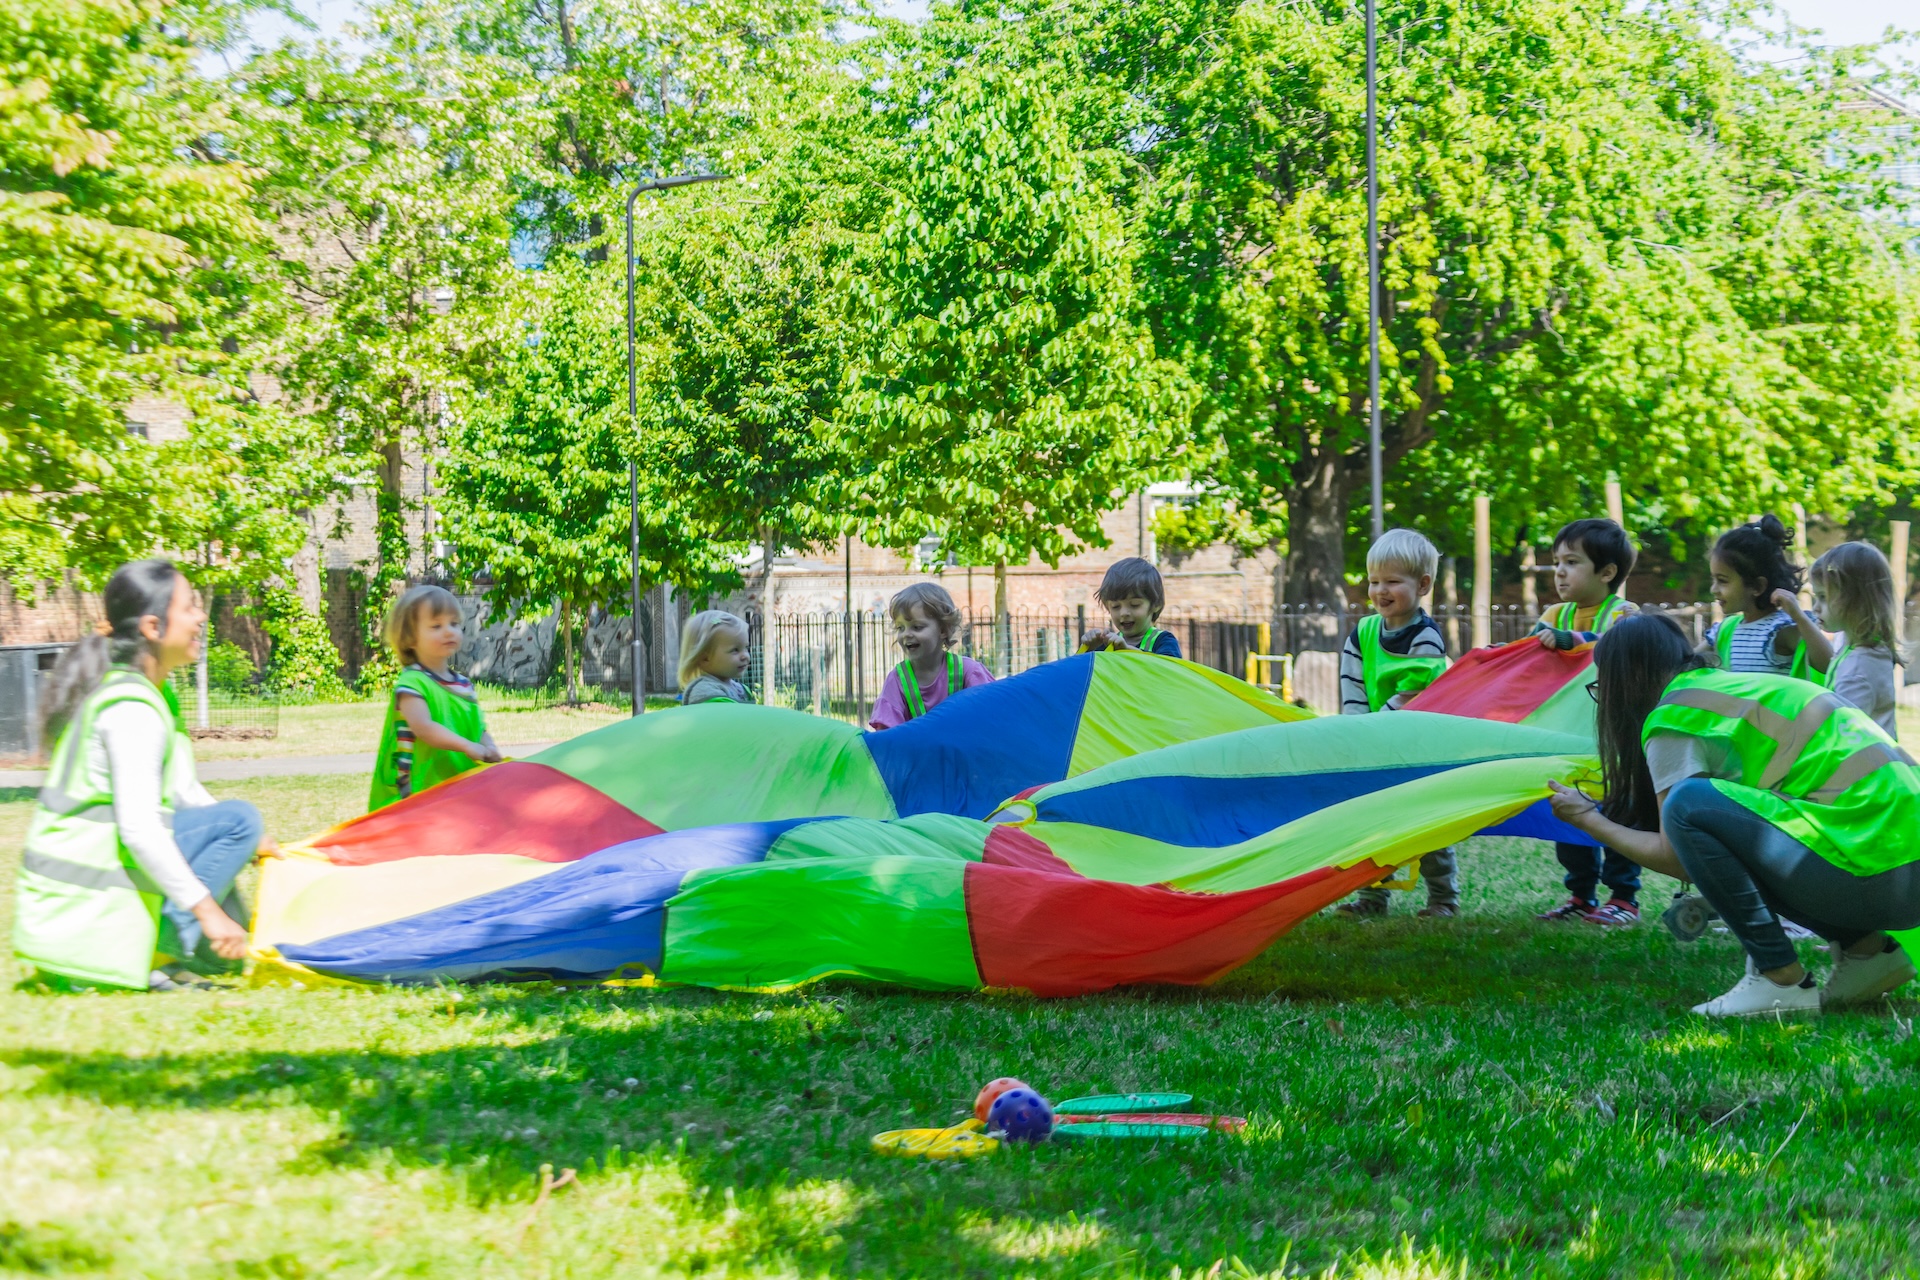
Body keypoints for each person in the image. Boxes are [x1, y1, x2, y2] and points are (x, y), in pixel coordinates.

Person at [1548, 612, 1920, 1017]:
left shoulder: (1676, 716)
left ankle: (1779, 979)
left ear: (1628, 678)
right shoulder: (1728, 690)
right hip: (1899, 868)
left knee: (1689, 804)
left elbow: (1675, 857)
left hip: (1880, 875)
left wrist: (1588, 819)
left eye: (1605, 685)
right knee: (1741, 822)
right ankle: (1868, 954)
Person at [16, 560, 276, 992]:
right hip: (84, 931)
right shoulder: (131, 709)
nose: (200, 617)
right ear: (153, 627)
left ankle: (173, 945)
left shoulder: (143, 693)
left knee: (232, 948)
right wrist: (206, 911)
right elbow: (139, 830)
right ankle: (160, 951)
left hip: (70, 925)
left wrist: (255, 841)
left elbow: (182, 792)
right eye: (189, 606)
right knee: (239, 820)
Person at [1335, 528, 1459, 919]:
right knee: (1373, 822)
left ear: (1422, 585)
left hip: (1416, 744)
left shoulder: (1426, 637)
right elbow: (1351, 681)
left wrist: (1377, 726)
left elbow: (1413, 690)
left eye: (1392, 581)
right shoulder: (1364, 632)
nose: (1379, 590)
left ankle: (1443, 898)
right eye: (1374, 581)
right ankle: (1372, 898)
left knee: (1428, 825)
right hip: (1373, 741)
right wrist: (1355, 727)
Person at [1529, 518, 1646, 927]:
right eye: (1556, 561)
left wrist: (1573, 643)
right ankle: (1580, 894)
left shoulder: (1624, 615)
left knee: (1616, 813)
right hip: (1564, 736)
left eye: (1572, 562)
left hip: (1613, 738)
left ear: (1607, 572)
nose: (1559, 571)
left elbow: (1619, 652)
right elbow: (1528, 660)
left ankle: (1623, 897)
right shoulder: (1553, 614)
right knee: (1567, 811)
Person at [367, 585, 500, 812]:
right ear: (410, 638)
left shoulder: (464, 685)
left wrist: (489, 746)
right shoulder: (412, 683)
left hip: (458, 787)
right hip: (416, 795)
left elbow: (478, 727)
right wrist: (468, 747)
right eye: (436, 626)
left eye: (454, 624)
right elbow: (424, 727)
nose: (449, 631)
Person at [1702, 515, 1831, 681]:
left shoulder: (1780, 630)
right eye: (1713, 580)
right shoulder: (1725, 631)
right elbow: (1684, 663)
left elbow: (1828, 664)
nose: (1714, 589)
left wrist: (1798, 616)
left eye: (1722, 581)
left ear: (1757, 587)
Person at [868, 583, 994, 729]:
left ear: (943, 630)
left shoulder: (968, 671)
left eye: (917, 627)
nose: (906, 634)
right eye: (900, 628)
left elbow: (991, 713)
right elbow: (886, 735)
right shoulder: (898, 679)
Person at [1809, 542, 1901, 738]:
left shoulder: (1857, 670)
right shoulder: (1852, 643)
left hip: (1865, 766)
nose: (1816, 607)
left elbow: (1844, 737)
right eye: (1816, 597)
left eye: (1824, 597)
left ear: (1856, 601)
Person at [1097, 557, 1182, 658]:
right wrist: (1090, 648)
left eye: (1135, 605)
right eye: (1115, 606)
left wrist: (1127, 651)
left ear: (1156, 605)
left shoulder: (1163, 641)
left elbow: (1169, 670)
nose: (1124, 613)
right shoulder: (1107, 645)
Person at [679, 610, 753, 705]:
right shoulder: (704, 691)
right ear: (705, 658)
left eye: (745, 648)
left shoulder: (739, 689)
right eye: (735, 650)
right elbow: (729, 717)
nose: (745, 656)